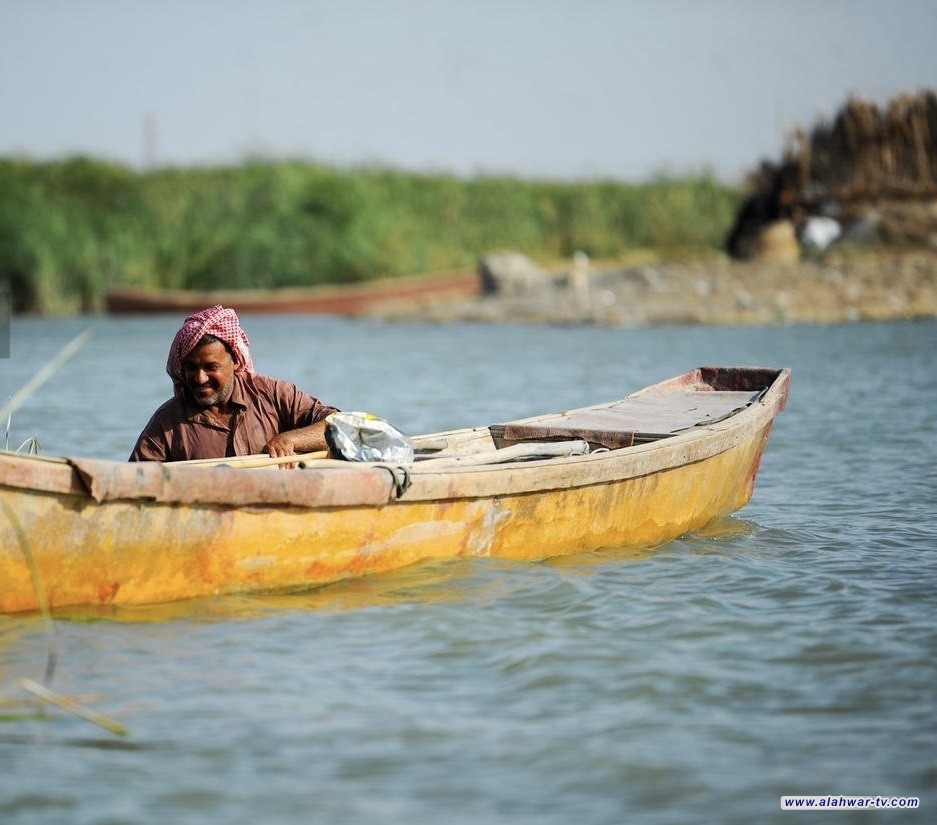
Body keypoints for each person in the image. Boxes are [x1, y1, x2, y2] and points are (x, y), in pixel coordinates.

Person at [129, 305, 338, 463]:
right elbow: (135, 483)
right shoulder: (166, 424)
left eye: (211, 367)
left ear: (236, 362)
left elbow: (338, 425)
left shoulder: (272, 394)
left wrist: (290, 440)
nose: (200, 378)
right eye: (192, 368)